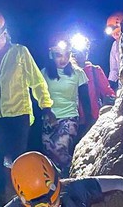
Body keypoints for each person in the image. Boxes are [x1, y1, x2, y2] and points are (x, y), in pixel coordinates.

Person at [0, 13, 56, 207]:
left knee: (19, 160)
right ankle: (1, 206)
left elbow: (37, 80)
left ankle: (26, 204)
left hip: (19, 114)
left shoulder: (19, 53)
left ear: (4, 33)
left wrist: (46, 106)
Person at [40, 35, 93, 177]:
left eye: (66, 55)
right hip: (49, 119)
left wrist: (88, 121)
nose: (63, 59)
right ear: (51, 55)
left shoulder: (78, 73)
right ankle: (58, 185)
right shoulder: (44, 73)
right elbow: (39, 96)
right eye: (58, 55)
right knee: (49, 153)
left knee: (60, 149)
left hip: (69, 117)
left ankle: (76, 175)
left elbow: (85, 100)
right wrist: (47, 112)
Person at [71, 34, 115, 127]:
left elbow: (108, 92)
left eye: (84, 51)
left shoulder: (95, 70)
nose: (82, 54)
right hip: (72, 120)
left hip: (93, 119)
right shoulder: (68, 73)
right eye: (78, 52)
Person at [104, 12, 123, 91]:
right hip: (122, 84)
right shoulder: (115, 45)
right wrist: (110, 85)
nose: (115, 35)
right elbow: (114, 69)